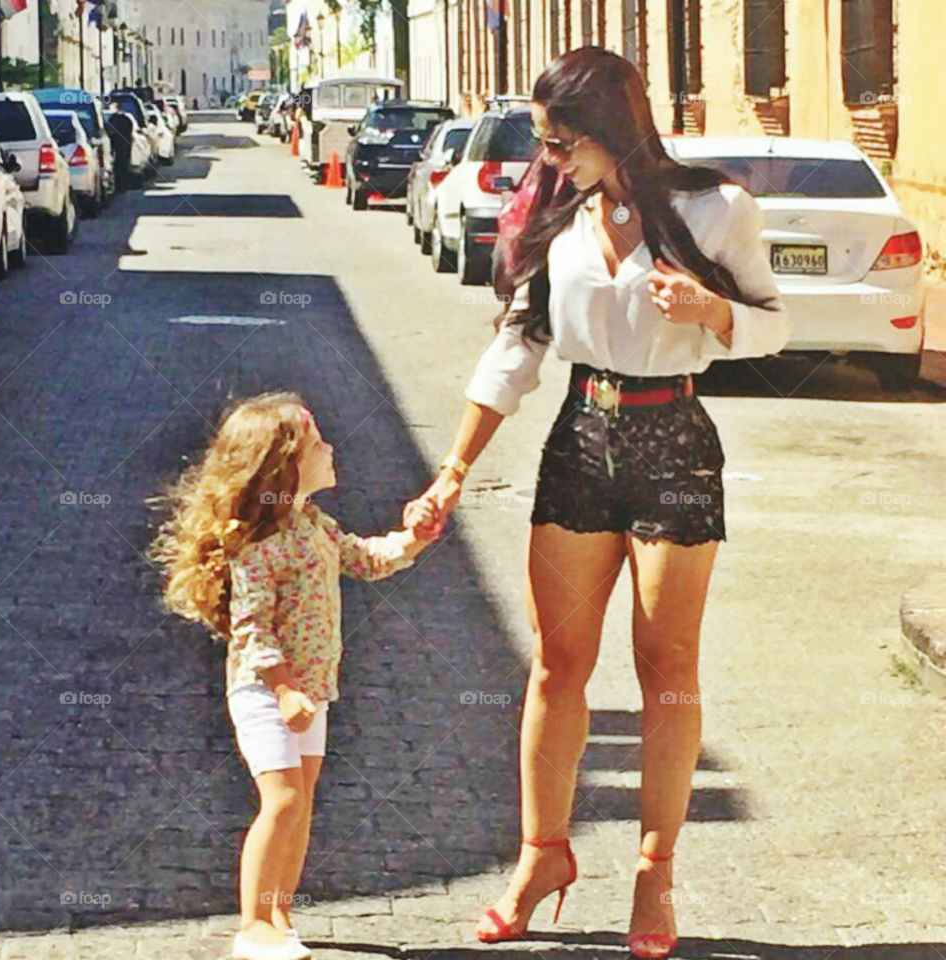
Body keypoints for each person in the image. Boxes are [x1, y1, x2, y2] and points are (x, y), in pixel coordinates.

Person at [404, 47, 790, 959]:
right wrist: (452, 470)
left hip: (673, 443)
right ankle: (543, 858)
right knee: (556, 666)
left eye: (560, 140)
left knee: (668, 662)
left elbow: (779, 325)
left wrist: (711, 310)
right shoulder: (558, 216)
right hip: (582, 437)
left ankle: (655, 873)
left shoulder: (715, 208)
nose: (549, 157)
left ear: (608, 127)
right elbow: (516, 348)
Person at [150, 391, 440, 960]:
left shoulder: (312, 523)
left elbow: (365, 558)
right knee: (281, 800)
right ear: (283, 464)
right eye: (317, 443)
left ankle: (280, 911)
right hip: (266, 693)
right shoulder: (259, 544)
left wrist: (414, 539)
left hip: (311, 691)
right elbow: (252, 629)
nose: (332, 449)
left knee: (301, 801)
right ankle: (253, 925)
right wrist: (283, 691)